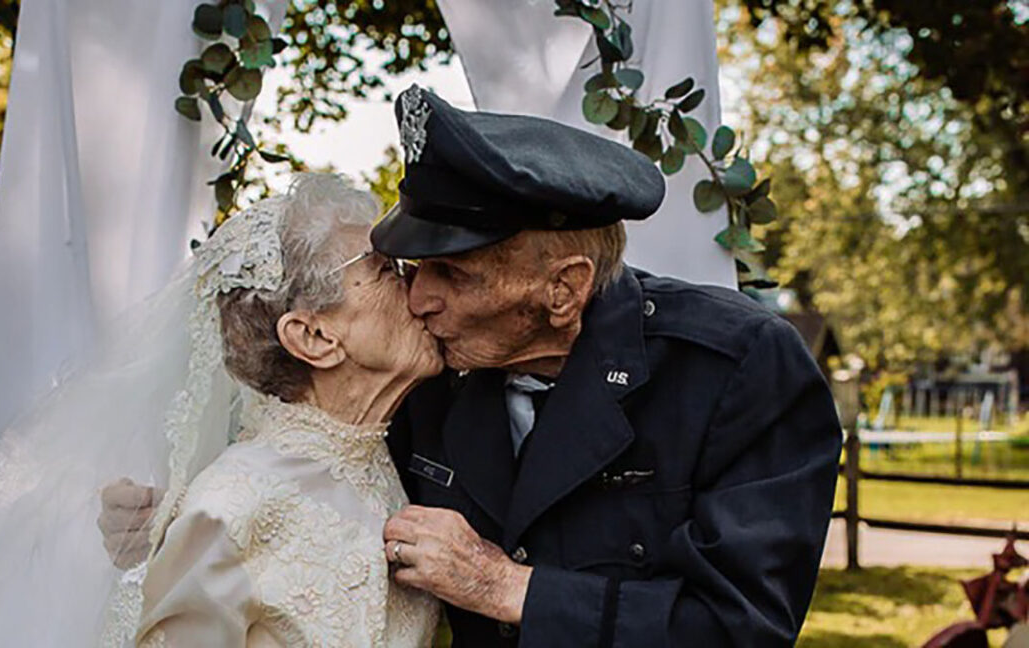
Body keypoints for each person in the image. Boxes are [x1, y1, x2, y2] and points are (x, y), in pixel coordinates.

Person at [101, 86, 842, 646]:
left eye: (452, 276)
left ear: (564, 288)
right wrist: (171, 510)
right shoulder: (429, 375)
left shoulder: (736, 367)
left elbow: (744, 627)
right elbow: (303, 453)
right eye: (408, 268)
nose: (417, 298)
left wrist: (507, 587)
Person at [0, 173, 441, 647]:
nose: (417, 278)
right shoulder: (231, 502)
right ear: (314, 336)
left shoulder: (384, 456)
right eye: (385, 270)